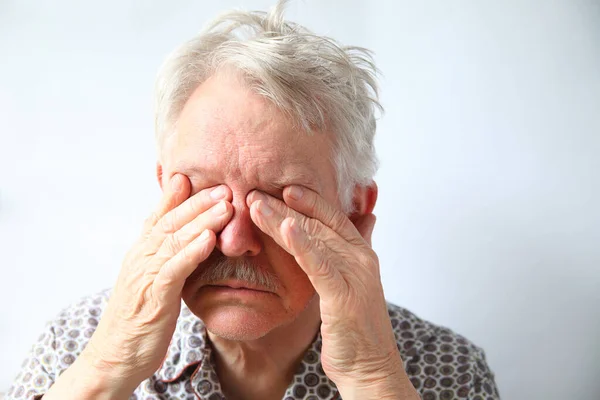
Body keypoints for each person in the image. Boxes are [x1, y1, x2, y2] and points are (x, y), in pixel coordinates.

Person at [6, 1, 500, 399]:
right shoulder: (72, 347)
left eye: (278, 201)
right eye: (204, 195)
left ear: (354, 209)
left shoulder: (447, 372)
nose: (237, 240)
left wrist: (373, 380)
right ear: (165, 194)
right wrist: (106, 372)